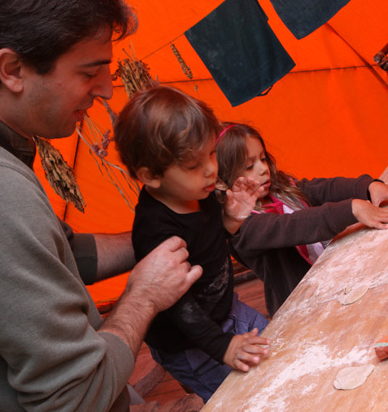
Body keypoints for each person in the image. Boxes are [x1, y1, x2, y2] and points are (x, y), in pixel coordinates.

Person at [0, 0, 202, 411]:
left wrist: (158, 237)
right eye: (89, 71)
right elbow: (74, 397)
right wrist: (143, 296)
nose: (105, 89)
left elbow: (55, 253)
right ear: (12, 69)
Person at [113, 85, 271, 402]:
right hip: (189, 343)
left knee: (276, 353)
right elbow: (179, 308)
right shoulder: (157, 232)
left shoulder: (201, 190)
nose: (212, 168)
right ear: (150, 176)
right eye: (193, 165)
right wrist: (223, 347)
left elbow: (212, 240)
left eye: (211, 153)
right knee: (246, 398)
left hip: (227, 312)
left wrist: (232, 219)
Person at [215, 122, 388, 316]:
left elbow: (322, 189)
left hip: (335, 280)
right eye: (249, 166)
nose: (263, 169)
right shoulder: (242, 227)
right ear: (225, 178)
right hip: (303, 310)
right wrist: (351, 209)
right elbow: (290, 227)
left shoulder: (281, 188)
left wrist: (367, 187)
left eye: (263, 158)